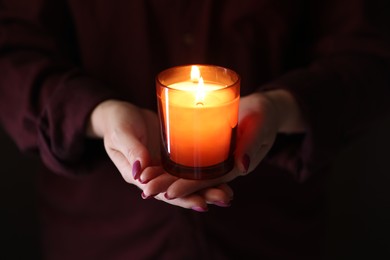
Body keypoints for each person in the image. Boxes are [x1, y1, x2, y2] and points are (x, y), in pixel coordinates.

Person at [0, 0, 389, 259]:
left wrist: (280, 107)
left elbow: (367, 58)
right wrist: (100, 116)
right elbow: (12, 55)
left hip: (267, 234)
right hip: (104, 237)